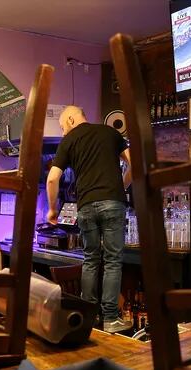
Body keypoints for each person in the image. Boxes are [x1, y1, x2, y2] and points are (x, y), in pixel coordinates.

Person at [47, 106, 133, 334]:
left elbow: (52, 179)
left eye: (63, 126)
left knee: (91, 260)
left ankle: (89, 316)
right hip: (113, 203)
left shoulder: (69, 141)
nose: (63, 131)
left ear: (71, 119)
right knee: (113, 261)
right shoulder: (110, 133)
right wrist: (121, 186)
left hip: (85, 206)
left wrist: (52, 210)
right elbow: (134, 163)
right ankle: (111, 319)